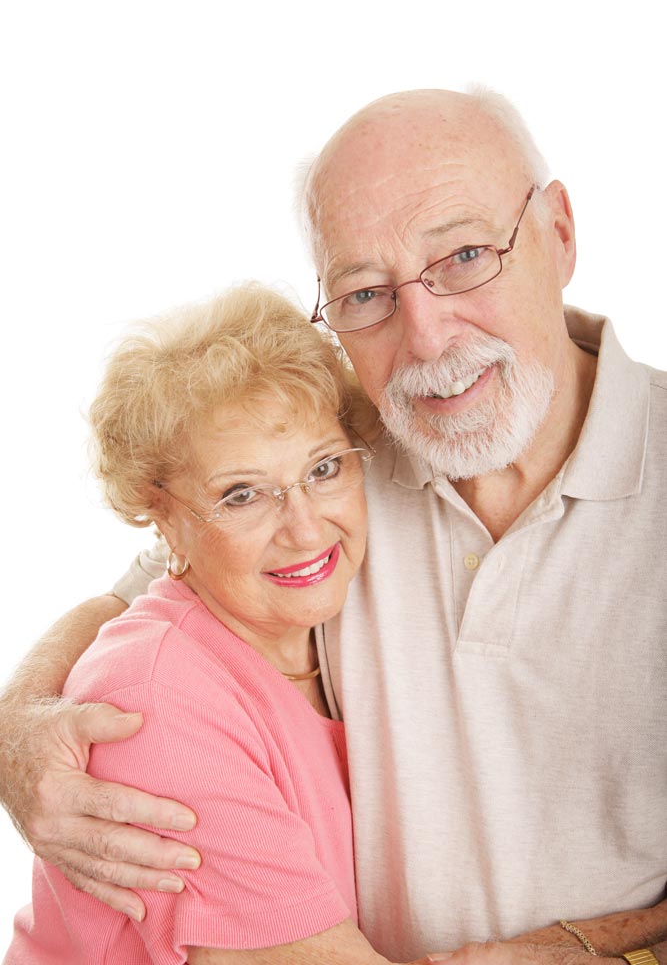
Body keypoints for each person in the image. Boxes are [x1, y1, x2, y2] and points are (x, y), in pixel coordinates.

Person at [1, 88, 666, 965]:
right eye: (363, 292)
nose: (425, 338)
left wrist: (598, 946)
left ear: (559, 232)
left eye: (464, 255)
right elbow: (149, 603)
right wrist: (20, 724)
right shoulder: (344, 453)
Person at [5, 283, 429, 965]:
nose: (304, 527)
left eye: (323, 468)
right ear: (164, 515)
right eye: (242, 495)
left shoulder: (329, 640)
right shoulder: (155, 702)